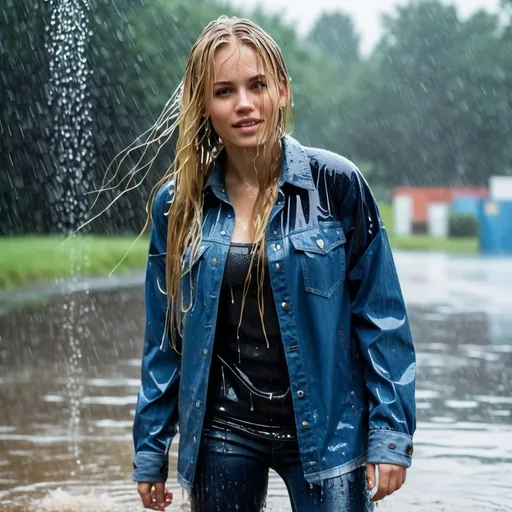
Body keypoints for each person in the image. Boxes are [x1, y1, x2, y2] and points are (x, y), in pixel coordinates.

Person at [130, 15, 416, 512]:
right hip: (225, 425)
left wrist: (389, 433)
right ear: (203, 105)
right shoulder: (179, 206)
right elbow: (166, 338)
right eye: (224, 91)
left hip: (331, 426)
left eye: (257, 85)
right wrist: (151, 447)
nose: (244, 104)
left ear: (281, 90)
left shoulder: (337, 185)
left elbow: (381, 317)